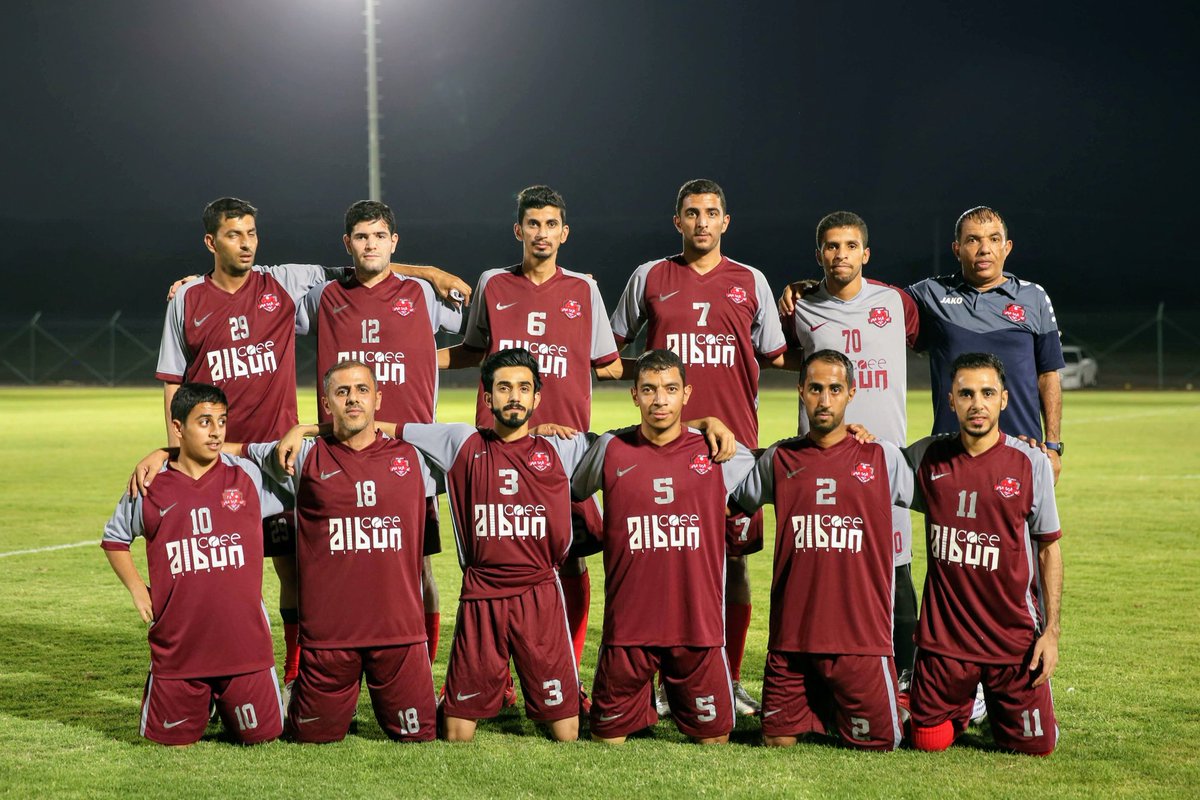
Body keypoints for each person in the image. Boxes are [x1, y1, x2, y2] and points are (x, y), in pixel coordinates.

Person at [609, 179, 787, 715]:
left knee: (734, 565)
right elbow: (610, 356)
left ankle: (726, 679)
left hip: (733, 453)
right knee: (665, 559)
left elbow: (775, 355)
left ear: (725, 222)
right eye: (692, 213)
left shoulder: (750, 281)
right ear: (677, 222)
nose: (703, 222)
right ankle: (667, 682)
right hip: (663, 449)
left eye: (712, 213)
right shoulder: (649, 276)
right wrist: (659, 380)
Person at [441, 185, 620, 677]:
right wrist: (411, 358)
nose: (542, 233)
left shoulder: (583, 289)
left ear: (565, 232)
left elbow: (608, 365)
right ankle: (493, 679)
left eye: (551, 224)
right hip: (495, 451)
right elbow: (471, 351)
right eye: (533, 224)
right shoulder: (493, 284)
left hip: (562, 453)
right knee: (489, 564)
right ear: (518, 230)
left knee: (571, 560)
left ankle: (566, 669)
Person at [295, 200, 465, 668]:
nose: (370, 245)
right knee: (333, 561)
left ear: (394, 242)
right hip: (338, 452)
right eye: (361, 237)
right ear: (346, 244)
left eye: (379, 236)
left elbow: (479, 335)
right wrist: (195, 284)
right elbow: (256, 304)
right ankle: (321, 665)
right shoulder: (324, 298)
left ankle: (422, 668)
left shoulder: (422, 295)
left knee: (418, 565)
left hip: (409, 454)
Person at [245, 360, 436, 743]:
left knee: (421, 735)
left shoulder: (415, 458)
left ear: (378, 399)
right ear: (326, 402)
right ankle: (294, 686)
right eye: (342, 392)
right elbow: (225, 455)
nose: (353, 399)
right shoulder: (301, 457)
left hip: (398, 637)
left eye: (362, 390)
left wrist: (544, 431)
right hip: (329, 640)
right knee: (311, 738)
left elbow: (490, 444)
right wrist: (164, 452)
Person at [571, 349, 756, 744]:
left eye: (670, 389)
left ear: (686, 394)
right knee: (607, 739)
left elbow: (787, 466)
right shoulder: (609, 449)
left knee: (714, 740)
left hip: (698, 630)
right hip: (627, 631)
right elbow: (572, 489)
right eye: (650, 390)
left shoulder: (719, 451)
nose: (660, 400)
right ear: (634, 395)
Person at [731, 350, 912, 751]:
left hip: (860, 641)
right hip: (791, 641)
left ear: (851, 392)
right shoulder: (779, 458)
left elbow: (940, 495)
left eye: (834, 389)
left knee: (877, 746)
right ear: (801, 392)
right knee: (778, 741)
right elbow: (734, 503)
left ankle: (888, 706)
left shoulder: (881, 457)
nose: (824, 400)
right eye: (815, 389)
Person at [777, 211, 921, 693]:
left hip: (884, 461)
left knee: (896, 572)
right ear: (819, 255)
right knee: (823, 571)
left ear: (866, 253)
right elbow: (769, 350)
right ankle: (814, 680)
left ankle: (904, 678)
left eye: (850, 245)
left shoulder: (897, 303)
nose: (841, 254)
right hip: (821, 462)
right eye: (831, 246)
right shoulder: (798, 308)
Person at [101, 383, 285, 746]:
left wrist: (309, 429)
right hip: (179, 651)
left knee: (263, 737)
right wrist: (139, 591)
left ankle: (223, 701)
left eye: (222, 420)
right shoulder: (150, 484)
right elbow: (114, 539)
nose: (216, 430)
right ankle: (205, 701)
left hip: (245, 648)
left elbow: (305, 453)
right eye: (204, 422)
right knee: (169, 743)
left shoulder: (247, 475)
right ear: (178, 427)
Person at [904, 353, 1063, 755]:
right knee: (928, 742)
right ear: (951, 400)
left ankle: (1007, 708)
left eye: (987, 393)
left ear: (1004, 400)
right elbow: (867, 470)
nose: (978, 403)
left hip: (1012, 641)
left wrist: (1051, 633)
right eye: (967, 393)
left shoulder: (1031, 463)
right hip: (945, 642)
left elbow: (1048, 549)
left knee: (1036, 748)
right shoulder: (926, 458)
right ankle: (963, 708)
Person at [904, 206, 1065, 482]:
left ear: (1007, 247)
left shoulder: (1033, 297)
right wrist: (818, 291)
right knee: (949, 527)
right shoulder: (930, 294)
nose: (984, 249)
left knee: (1019, 527)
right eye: (973, 240)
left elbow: (1048, 375)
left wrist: (1052, 446)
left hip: (1023, 449)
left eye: (993, 239)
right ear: (957, 249)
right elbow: (875, 305)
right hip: (950, 454)